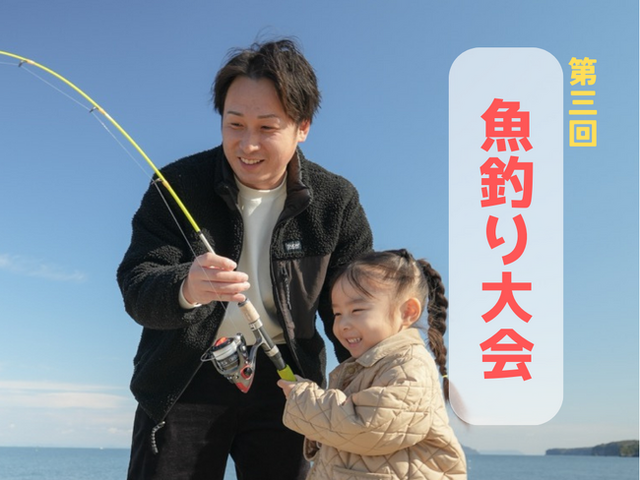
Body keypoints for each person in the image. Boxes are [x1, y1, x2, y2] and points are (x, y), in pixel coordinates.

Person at [117, 38, 373, 480]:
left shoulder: (336, 201)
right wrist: (185, 287)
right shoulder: (176, 184)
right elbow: (137, 287)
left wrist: (380, 378)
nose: (248, 145)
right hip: (183, 378)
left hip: (288, 382)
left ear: (302, 127)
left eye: (267, 128)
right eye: (234, 125)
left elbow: (357, 308)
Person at [278, 249, 467, 479]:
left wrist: (305, 400)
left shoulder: (410, 365)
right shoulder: (366, 366)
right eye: (337, 313)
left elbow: (368, 427)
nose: (343, 324)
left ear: (407, 312)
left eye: (357, 310)